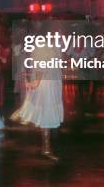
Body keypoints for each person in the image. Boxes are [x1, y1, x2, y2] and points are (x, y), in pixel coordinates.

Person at [11, 20, 64, 161]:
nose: (59, 32)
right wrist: (36, 81)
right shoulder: (42, 44)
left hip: (52, 82)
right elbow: (41, 65)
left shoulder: (51, 43)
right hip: (46, 84)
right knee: (47, 115)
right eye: (57, 29)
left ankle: (45, 146)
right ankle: (46, 149)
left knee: (47, 113)